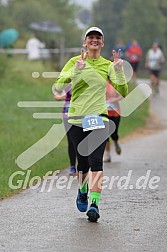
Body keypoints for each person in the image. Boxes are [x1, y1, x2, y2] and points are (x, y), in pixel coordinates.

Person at [54, 26, 128, 222]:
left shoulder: (108, 65)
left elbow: (123, 90)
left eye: (98, 38)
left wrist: (119, 71)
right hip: (76, 118)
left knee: (96, 160)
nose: (94, 40)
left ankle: (94, 204)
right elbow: (59, 86)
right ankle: (83, 189)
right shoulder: (74, 61)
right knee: (83, 162)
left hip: (99, 118)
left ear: (102, 43)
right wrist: (74, 71)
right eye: (90, 37)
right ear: (85, 42)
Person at [54, 87, 77, 176]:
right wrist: (58, 96)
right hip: (67, 115)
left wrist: (59, 97)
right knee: (71, 140)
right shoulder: (69, 86)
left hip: (81, 115)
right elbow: (61, 96)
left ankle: (82, 165)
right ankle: (72, 166)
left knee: (79, 140)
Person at [103, 81, 122, 162]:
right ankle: (107, 155)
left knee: (114, 134)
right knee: (105, 134)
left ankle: (116, 142)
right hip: (104, 112)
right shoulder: (101, 83)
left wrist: (115, 99)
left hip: (115, 113)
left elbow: (122, 95)